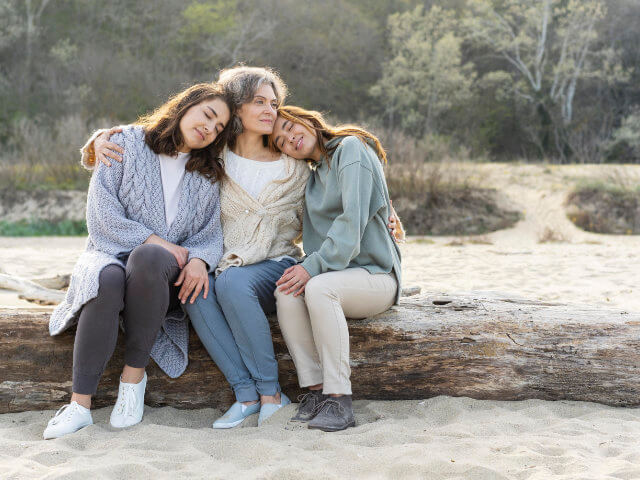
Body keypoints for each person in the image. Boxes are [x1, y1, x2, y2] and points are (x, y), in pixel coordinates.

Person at [88, 67, 309, 428]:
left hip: (273, 264)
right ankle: (246, 395)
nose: (271, 110)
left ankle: (271, 392)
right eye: (259, 102)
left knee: (230, 283)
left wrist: (385, 209)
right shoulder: (212, 158)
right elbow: (159, 140)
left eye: (274, 103)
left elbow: (333, 176)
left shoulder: (292, 160)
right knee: (195, 290)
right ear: (236, 110)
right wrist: (97, 142)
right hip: (222, 264)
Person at [44, 83, 231, 439]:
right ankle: (79, 406)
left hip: (162, 275)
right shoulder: (125, 142)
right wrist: (155, 238)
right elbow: (102, 214)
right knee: (107, 278)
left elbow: (209, 236)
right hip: (107, 250)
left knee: (147, 257)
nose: (210, 128)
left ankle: (133, 381)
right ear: (185, 105)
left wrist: (200, 261)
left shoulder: (207, 174)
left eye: (219, 127)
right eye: (208, 115)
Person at [271, 105, 402, 432]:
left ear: (307, 118)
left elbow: (351, 222)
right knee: (286, 292)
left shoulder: (350, 148)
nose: (290, 138)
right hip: (340, 278)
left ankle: (339, 398)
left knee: (317, 286)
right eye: (281, 142)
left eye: (290, 127)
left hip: (376, 276)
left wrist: (311, 267)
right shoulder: (313, 180)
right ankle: (315, 392)